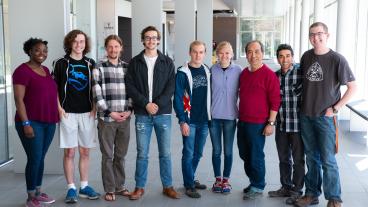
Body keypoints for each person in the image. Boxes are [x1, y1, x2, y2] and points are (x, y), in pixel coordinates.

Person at [294, 22, 356, 207]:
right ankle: (311, 194)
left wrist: (335, 108)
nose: (316, 37)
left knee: (328, 160)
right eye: (312, 34)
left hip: (325, 118)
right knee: (311, 158)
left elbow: (352, 87)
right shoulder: (306, 57)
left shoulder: (337, 59)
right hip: (306, 116)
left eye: (319, 33)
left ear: (327, 35)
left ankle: (334, 198)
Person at [125, 25, 180, 200]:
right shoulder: (135, 62)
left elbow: (171, 86)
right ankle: (139, 187)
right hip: (142, 113)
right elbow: (130, 86)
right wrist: (145, 104)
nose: (151, 40)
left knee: (165, 152)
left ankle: (168, 186)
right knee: (142, 153)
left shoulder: (167, 62)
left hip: (162, 114)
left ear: (158, 40)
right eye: (147, 37)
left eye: (154, 37)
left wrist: (156, 104)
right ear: (143, 40)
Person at [52, 29, 100, 203]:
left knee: (85, 151)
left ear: (85, 44)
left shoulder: (91, 63)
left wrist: (94, 107)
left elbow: (96, 87)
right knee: (70, 152)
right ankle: (71, 188)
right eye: (75, 41)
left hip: (87, 112)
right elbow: (53, 89)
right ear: (69, 43)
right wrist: (58, 108)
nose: (79, 45)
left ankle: (84, 186)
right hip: (67, 113)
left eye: (82, 41)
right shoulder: (60, 63)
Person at [13, 38, 59, 207]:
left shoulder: (46, 70)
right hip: (31, 122)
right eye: (38, 50)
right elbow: (19, 100)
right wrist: (26, 124)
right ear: (29, 51)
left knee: (40, 158)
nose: (42, 54)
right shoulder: (22, 71)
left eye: (45, 50)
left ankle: (38, 193)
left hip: (49, 121)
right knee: (34, 158)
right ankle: (30, 196)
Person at [237, 40, 280, 200]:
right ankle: (253, 180)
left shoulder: (269, 75)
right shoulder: (244, 74)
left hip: (258, 123)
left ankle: (258, 185)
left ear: (262, 53)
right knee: (244, 153)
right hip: (242, 121)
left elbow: (275, 101)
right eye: (249, 51)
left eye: (257, 51)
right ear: (246, 54)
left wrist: (270, 123)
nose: (253, 55)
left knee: (255, 155)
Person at [92, 35, 132, 201]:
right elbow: (96, 93)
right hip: (107, 120)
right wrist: (109, 112)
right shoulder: (98, 67)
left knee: (121, 155)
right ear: (106, 48)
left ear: (121, 48)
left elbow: (132, 91)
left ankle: (120, 186)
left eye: (116, 46)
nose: (113, 49)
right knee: (108, 156)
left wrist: (129, 110)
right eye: (110, 47)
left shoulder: (127, 68)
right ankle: (109, 189)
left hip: (124, 119)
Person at [268, 44, 305, 204]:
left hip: (298, 126)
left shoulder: (301, 73)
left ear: (293, 57)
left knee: (298, 160)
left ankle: (297, 190)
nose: (285, 59)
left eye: (288, 56)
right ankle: (286, 187)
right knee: (283, 159)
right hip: (282, 125)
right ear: (277, 58)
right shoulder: (274, 76)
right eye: (281, 56)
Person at [174, 40, 211, 198]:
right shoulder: (182, 72)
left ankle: (190, 177)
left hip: (204, 120)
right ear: (190, 52)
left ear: (205, 53)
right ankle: (189, 184)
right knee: (188, 153)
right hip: (190, 121)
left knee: (198, 152)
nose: (198, 55)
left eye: (201, 52)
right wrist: (182, 120)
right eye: (195, 51)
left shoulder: (207, 70)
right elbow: (177, 98)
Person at [209, 41, 241, 194]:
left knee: (228, 151)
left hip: (230, 117)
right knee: (216, 150)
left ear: (232, 54)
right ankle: (217, 180)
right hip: (214, 117)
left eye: (227, 52)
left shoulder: (238, 70)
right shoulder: (211, 70)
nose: (224, 55)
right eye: (221, 52)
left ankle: (226, 180)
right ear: (216, 54)